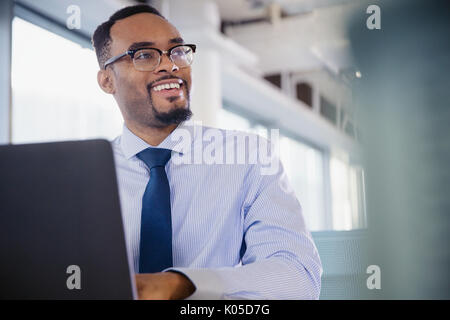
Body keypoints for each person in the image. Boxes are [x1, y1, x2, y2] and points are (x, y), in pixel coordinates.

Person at [92, 4, 322, 300]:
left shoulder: (248, 157)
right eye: (145, 55)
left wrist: (186, 284)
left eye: (177, 52)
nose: (171, 65)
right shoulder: (85, 176)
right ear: (107, 81)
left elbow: (298, 280)